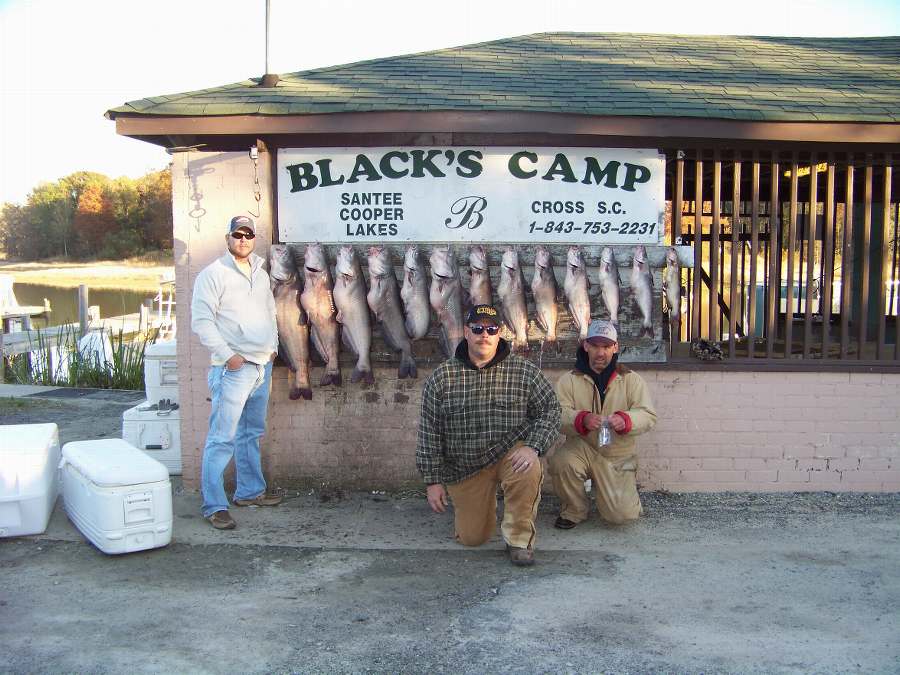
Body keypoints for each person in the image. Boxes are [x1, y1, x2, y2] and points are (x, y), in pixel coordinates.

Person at [416, 304, 561, 566]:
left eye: (491, 329)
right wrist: (432, 480)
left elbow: (551, 410)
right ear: (466, 332)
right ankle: (484, 510)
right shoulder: (442, 377)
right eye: (478, 328)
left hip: (510, 454)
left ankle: (519, 540)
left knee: (528, 468)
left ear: (499, 333)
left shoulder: (524, 371)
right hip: (466, 467)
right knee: (472, 538)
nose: (485, 334)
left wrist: (533, 447)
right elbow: (429, 432)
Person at [191, 215, 282, 530]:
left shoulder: (260, 272)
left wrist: (274, 347)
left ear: (254, 238)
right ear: (228, 237)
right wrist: (228, 356)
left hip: (261, 366)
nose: (243, 239)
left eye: (248, 234)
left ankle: (249, 492)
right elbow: (201, 321)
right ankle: (214, 505)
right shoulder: (213, 274)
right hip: (234, 369)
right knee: (221, 438)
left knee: (250, 434)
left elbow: (269, 312)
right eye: (237, 234)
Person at [550, 319, 657, 529]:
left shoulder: (631, 380)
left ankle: (616, 497)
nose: (601, 353)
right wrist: (581, 419)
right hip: (582, 447)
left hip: (617, 453)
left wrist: (626, 420)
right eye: (596, 346)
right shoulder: (568, 380)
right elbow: (556, 415)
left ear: (615, 347)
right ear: (586, 346)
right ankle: (574, 510)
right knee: (562, 461)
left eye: (607, 346)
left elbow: (648, 415)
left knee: (621, 516)